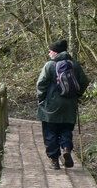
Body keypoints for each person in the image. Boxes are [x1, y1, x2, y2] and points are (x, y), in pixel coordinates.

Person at [36, 39, 89, 170]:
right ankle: (66, 148)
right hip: (69, 105)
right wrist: (77, 95)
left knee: (50, 132)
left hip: (51, 106)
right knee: (66, 129)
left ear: (55, 52)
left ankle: (54, 161)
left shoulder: (49, 66)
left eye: (50, 51)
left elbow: (40, 84)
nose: (49, 53)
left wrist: (41, 98)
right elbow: (85, 82)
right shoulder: (75, 65)